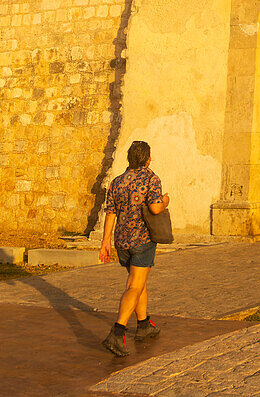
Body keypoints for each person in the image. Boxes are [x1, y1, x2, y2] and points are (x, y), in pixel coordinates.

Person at [98, 140, 170, 356]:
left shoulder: (117, 182)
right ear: (147, 158)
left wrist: (105, 242)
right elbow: (155, 208)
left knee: (140, 282)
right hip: (142, 240)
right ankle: (117, 332)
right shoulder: (151, 178)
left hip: (122, 241)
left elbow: (110, 212)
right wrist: (165, 201)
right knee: (134, 286)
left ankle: (144, 324)